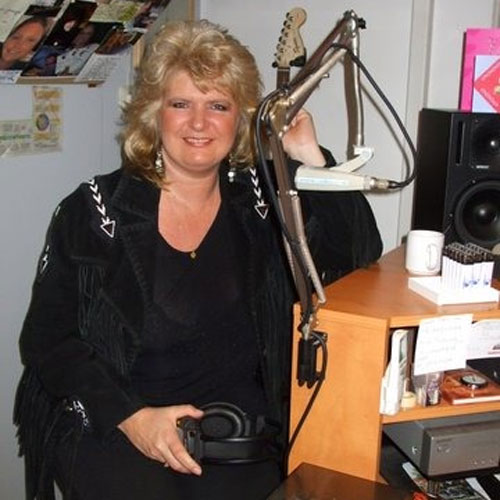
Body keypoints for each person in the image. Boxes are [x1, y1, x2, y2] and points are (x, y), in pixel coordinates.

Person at [13, 19, 382, 500]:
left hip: (239, 434)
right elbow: (47, 341)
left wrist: (309, 156)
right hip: (121, 426)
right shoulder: (95, 212)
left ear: (241, 118)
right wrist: (133, 419)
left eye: (218, 106)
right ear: (154, 113)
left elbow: (359, 251)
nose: (200, 123)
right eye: (181, 104)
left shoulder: (261, 201)